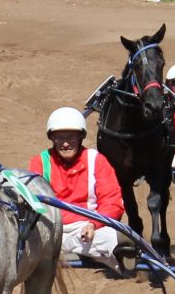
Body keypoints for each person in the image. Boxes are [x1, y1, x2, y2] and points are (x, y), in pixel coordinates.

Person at [39, 107, 125, 270]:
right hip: (52, 230)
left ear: (80, 137)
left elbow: (112, 202)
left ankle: (122, 251)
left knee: (111, 238)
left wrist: (93, 224)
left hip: (87, 230)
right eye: (59, 138)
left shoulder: (97, 161)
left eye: (71, 137)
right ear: (52, 139)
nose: (65, 143)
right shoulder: (40, 162)